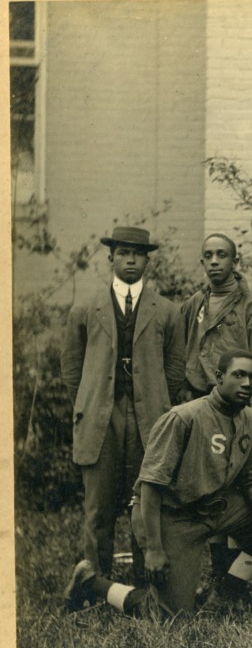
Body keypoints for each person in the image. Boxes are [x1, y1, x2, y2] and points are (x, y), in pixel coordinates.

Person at [63, 351, 252, 617]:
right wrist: (154, 549)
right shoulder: (184, 417)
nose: (247, 384)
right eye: (238, 375)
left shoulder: (250, 420)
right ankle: (90, 582)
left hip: (218, 509)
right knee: (169, 615)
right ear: (218, 378)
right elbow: (150, 486)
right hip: (173, 516)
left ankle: (228, 589)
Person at [61, 226, 186, 579]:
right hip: (101, 416)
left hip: (149, 418)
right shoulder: (85, 309)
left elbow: (175, 370)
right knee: (98, 506)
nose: (131, 259)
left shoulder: (166, 311)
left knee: (145, 501)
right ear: (110, 257)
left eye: (138, 253)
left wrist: (157, 402)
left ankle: (145, 583)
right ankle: (95, 583)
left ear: (148, 260)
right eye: (124, 252)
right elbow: (71, 368)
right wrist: (90, 401)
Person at [180, 233, 252, 418]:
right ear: (202, 262)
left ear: (234, 261)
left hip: (235, 402)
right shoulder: (194, 303)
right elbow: (182, 349)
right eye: (208, 256)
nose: (214, 261)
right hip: (198, 399)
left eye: (221, 255)